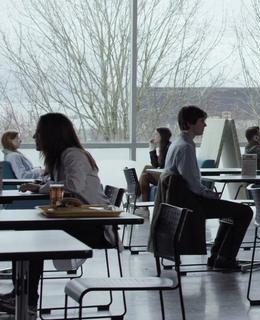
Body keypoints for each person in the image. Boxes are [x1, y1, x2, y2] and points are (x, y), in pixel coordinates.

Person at [3, 113, 114, 314]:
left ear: (51, 135)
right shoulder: (61, 158)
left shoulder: (72, 155)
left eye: (38, 133)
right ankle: (22, 295)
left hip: (96, 225)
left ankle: (26, 300)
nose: (35, 137)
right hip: (80, 219)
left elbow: (74, 185)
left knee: (33, 239)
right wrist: (43, 187)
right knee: (28, 235)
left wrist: (41, 188)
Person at [163, 105, 253, 271]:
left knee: (232, 211)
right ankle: (223, 258)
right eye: (202, 121)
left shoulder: (176, 144)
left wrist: (208, 193)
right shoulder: (186, 147)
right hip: (191, 204)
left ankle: (219, 257)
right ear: (190, 123)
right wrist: (210, 194)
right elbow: (192, 183)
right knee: (245, 212)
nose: (205, 125)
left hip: (179, 201)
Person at [137, 127, 171, 206]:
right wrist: (152, 148)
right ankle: (136, 192)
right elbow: (155, 165)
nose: (154, 136)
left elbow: (158, 166)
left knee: (144, 176)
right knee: (146, 167)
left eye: (156, 134)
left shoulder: (169, 147)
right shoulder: (163, 147)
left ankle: (143, 204)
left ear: (162, 136)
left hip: (168, 176)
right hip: (163, 173)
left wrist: (152, 149)